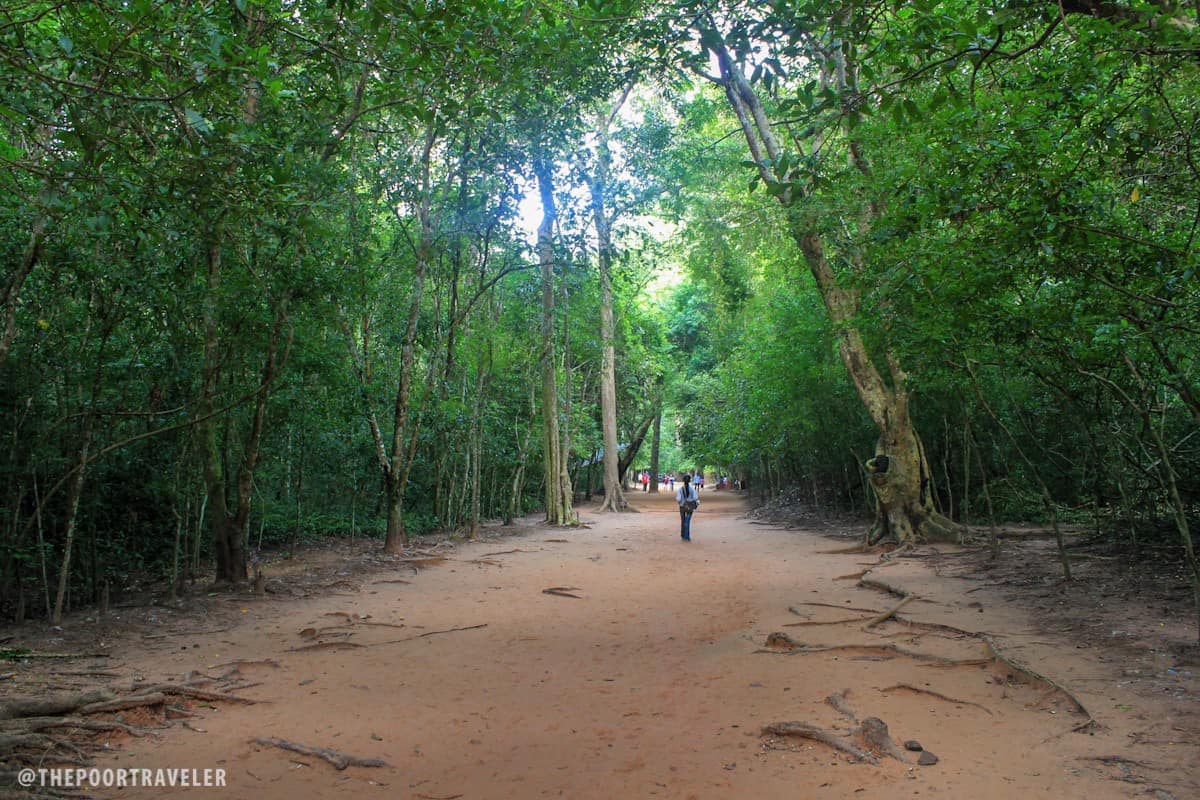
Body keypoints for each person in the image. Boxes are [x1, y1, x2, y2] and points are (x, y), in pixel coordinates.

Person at [675, 473, 699, 541]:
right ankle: (687, 536)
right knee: (687, 521)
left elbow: (678, 499)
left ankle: (683, 534)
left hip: (682, 507)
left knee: (683, 520)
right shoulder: (692, 489)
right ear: (689, 481)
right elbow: (695, 497)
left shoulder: (680, 489)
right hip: (690, 507)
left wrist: (680, 502)